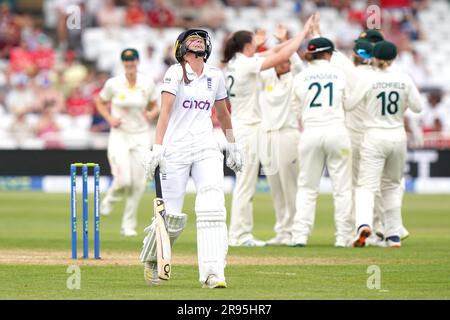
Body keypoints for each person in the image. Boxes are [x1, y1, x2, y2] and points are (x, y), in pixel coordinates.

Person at [140, 29, 243, 288]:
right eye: (191, 39)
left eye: (200, 39)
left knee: (213, 207)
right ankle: (154, 258)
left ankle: (213, 273)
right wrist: (157, 148)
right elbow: (164, 113)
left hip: (206, 147)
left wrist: (232, 144)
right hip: (175, 149)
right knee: (171, 216)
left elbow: (224, 114)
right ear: (181, 48)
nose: (196, 40)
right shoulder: (175, 73)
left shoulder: (215, 76)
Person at [222, 15, 313, 247]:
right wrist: (302, 34)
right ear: (248, 46)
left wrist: (283, 40)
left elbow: (276, 52)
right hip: (249, 129)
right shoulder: (244, 64)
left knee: (244, 184)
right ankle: (240, 235)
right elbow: (281, 56)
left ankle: (241, 233)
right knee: (245, 185)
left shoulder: (235, 63)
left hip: (243, 128)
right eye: (254, 43)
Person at [348, 41, 422, 248]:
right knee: (391, 186)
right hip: (397, 136)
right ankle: (393, 235)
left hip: (374, 135)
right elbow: (418, 107)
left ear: (374, 58)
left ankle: (362, 225)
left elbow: (349, 105)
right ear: (393, 59)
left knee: (365, 186)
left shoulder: (368, 78)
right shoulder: (404, 79)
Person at [290, 37, 353, 247]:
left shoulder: (301, 76)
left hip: (311, 133)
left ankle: (299, 235)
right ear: (328, 54)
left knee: (307, 188)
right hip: (337, 132)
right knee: (342, 188)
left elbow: (295, 109)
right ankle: (343, 238)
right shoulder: (339, 74)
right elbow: (350, 104)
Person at [96, 48, 159, 236]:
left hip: (141, 135)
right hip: (120, 135)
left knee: (138, 183)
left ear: (137, 62)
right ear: (123, 63)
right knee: (124, 180)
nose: (130, 65)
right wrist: (109, 119)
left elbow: (155, 105)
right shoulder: (113, 84)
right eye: (126, 62)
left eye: (132, 62)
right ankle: (111, 198)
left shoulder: (146, 83)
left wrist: (151, 113)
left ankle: (128, 225)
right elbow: (99, 102)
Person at [258, 24, 304, 246]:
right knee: (275, 187)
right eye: (280, 60)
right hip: (266, 136)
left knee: (290, 186)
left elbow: (297, 65)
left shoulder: (295, 79)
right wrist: (264, 47)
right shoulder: (266, 79)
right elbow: (258, 64)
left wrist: (284, 41)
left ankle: (296, 230)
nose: (282, 63)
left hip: (287, 134)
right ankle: (282, 230)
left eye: (285, 60)